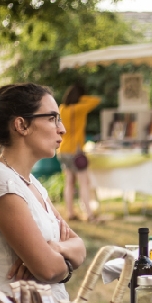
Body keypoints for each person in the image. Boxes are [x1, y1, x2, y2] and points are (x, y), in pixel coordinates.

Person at [0, 83, 86, 301]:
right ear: (21, 125)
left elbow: (80, 248)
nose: (62, 129)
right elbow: (48, 270)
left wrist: (54, 247)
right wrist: (62, 262)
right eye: (52, 118)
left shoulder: (31, 184)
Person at [58, 84, 101, 221]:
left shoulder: (62, 108)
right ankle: (89, 213)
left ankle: (70, 213)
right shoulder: (80, 108)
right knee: (84, 182)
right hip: (76, 150)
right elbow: (95, 101)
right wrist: (83, 97)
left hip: (63, 149)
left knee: (69, 182)